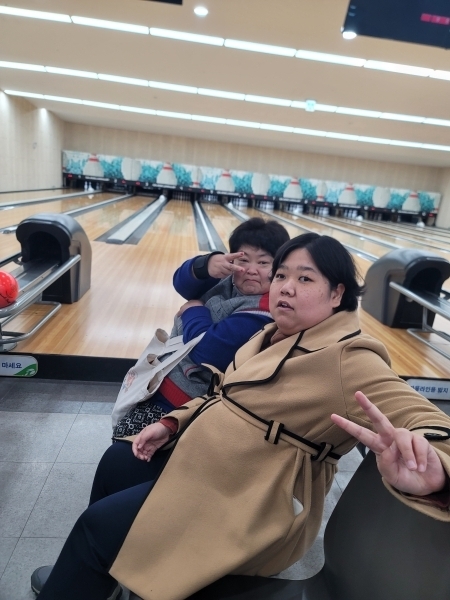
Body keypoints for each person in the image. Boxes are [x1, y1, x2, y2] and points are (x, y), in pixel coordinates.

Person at [33, 233, 450, 600]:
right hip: (208, 463)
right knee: (116, 462)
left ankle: (92, 561)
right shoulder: (269, 334)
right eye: (281, 275)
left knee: (96, 528)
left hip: (251, 497)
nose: (286, 287)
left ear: (337, 294)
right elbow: (224, 395)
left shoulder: (348, 358)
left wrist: (436, 467)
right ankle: (99, 575)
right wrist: (171, 423)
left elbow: (428, 421)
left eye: (305, 279)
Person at [112, 217, 290, 438]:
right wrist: (205, 265)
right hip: (160, 382)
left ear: (279, 269)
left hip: (186, 405)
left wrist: (193, 310)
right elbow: (182, 284)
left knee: (124, 443)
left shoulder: (264, 310)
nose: (251, 270)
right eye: (243, 260)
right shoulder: (229, 278)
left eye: (263, 263)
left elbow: (208, 351)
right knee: (121, 433)